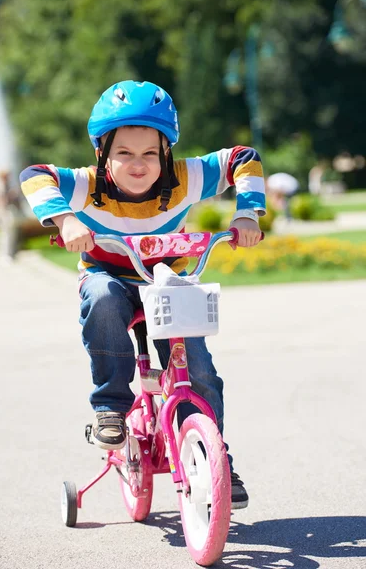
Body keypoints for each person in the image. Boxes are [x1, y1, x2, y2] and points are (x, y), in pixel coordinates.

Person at [19, 80, 266, 509]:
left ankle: (213, 456)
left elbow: (243, 159)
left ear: (166, 152)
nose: (139, 165)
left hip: (165, 282)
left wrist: (246, 212)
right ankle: (110, 407)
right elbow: (34, 175)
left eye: (150, 153)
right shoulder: (87, 185)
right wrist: (64, 220)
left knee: (200, 369)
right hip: (108, 276)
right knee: (101, 296)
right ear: (103, 153)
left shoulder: (187, 177)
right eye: (125, 154)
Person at [0, 169, 22, 261]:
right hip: (3, 213)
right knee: (5, 235)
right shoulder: (1, 186)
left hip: (7, 212)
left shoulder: (8, 185)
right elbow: (1, 201)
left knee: (10, 234)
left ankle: (10, 254)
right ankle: (5, 255)